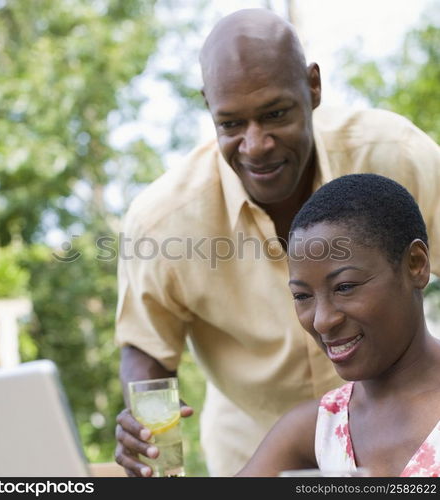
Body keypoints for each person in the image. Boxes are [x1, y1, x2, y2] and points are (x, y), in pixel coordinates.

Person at [114, 8, 440, 477]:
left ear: (312, 87)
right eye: (230, 124)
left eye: (275, 114)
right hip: (256, 440)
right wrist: (152, 441)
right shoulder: (163, 222)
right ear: (208, 107)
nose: (256, 144)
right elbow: (147, 352)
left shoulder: (395, 155)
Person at [236, 173, 440, 477]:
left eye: (345, 287)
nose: (322, 320)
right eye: (302, 296)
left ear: (415, 264)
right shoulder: (317, 429)